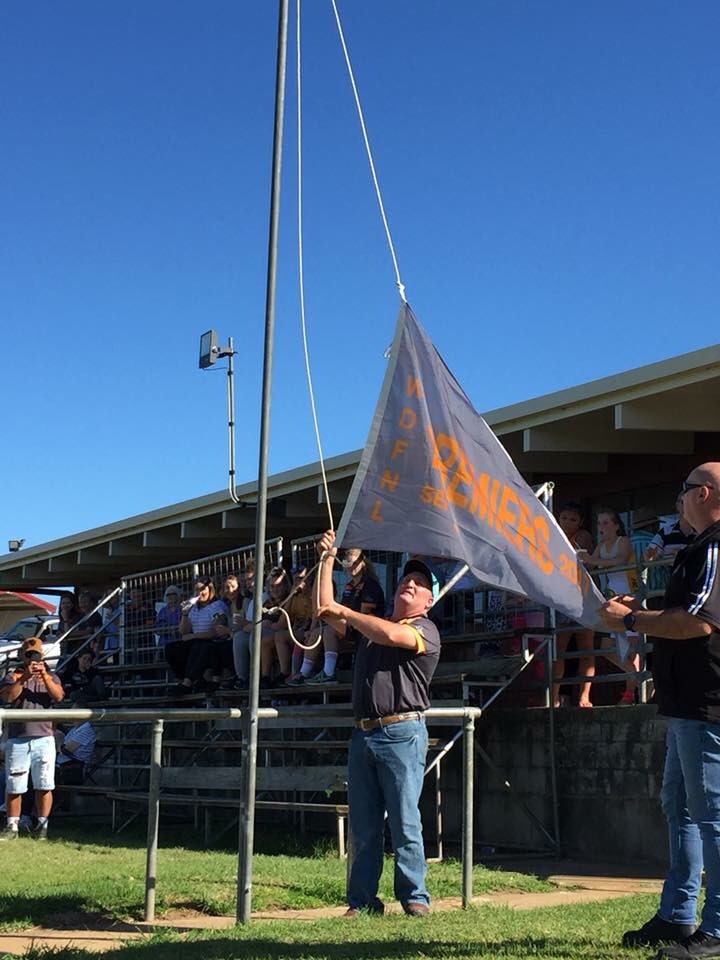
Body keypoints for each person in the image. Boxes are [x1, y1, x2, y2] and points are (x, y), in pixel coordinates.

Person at [600, 463, 720, 958]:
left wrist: (631, 617)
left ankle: (715, 927)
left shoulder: (714, 546)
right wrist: (642, 610)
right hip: (683, 704)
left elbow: (697, 623)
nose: (678, 499)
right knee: (681, 808)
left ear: (706, 493)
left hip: (705, 704)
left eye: (684, 490)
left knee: (711, 815)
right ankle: (677, 914)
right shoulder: (698, 546)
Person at [314, 530, 441, 917]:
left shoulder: (426, 631)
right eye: (406, 579)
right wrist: (325, 561)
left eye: (418, 584)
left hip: (402, 732)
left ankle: (415, 896)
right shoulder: (371, 625)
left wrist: (351, 614)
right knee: (364, 827)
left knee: (405, 822)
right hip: (365, 732)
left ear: (428, 602)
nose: (410, 583)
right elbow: (325, 608)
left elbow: (389, 633)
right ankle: (362, 901)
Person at [0, 637, 64, 840]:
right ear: (22, 656)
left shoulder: (52, 676)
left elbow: (59, 697)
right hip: (18, 737)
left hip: (44, 737)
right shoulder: (13, 675)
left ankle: (42, 827)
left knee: (44, 784)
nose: (32, 659)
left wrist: (44, 676)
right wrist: (23, 678)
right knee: (14, 784)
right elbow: (8, 697)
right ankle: (13, 827)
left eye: (35, 655)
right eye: (28, 655)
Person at [582, 508, 639, 704]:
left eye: (606, 523)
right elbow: (591, 565)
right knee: (608, 647)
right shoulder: (601, 545)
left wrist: (593, 560)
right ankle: (638, 675)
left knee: (631, 647)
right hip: (611, 597)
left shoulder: (623, 541)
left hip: (629, 596)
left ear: (616, 525)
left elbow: (620, 560)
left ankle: (630, 692)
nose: (601, 527)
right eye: (599, 523)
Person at [308, 548, 386, 686]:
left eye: (353, 563)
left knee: (329, 630)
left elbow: (364, 616)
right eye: (347, 563)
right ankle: (303, 672)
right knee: (317, 629)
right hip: (351, 626)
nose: (350, 567)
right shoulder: (349, 586)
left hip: (366, 630)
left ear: (362, 562)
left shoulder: (370, 585)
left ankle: (328, 673)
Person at [553, 503, 596, 707]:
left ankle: (584, 696)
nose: (567, 522)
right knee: (559, 651)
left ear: (580, 522)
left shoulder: (584, 537)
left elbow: (586, 562)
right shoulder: (552, 535)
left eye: (572, 519)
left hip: (583, 598)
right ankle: (553, 696)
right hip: (562, 598)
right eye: (564, 518)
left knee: (586, 649)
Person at [174, 577, 228, 694]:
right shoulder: (193, 608)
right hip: (197, 641)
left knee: (200, 646)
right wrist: (184, 614)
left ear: (210, 590)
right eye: (197, 590)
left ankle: (187, 683)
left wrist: (194, 636)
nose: (200, 593)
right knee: (172, 648)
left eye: (203, 589)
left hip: (212, 643)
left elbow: (217, 631)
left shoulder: (217, 605)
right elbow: (184, 632)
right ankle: (184, 679)